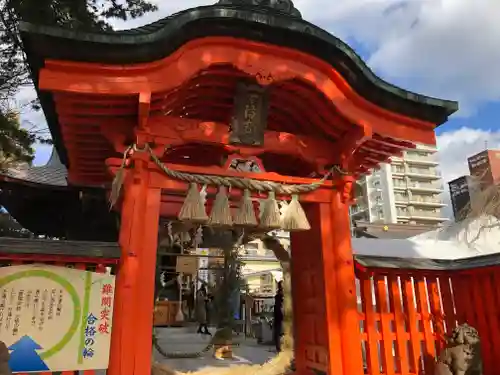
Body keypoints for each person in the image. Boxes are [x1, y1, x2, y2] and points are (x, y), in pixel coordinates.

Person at [273, 280, 284, 352]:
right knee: (278, 334)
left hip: (278, 319)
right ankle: (279, 348)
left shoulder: (278, 298)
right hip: (279, 319)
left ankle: (279, 348)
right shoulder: (279, 299)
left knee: (278, 334)